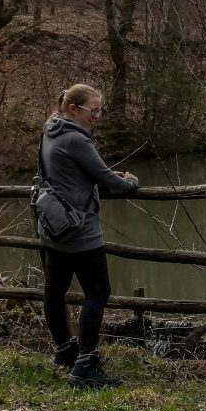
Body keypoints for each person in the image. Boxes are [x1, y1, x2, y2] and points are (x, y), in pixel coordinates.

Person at [37, 84, 138, 388]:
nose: (98, 116)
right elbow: (105, 178)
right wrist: (130, 181)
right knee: (98, 293)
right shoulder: (75, 139)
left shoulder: (50, 131)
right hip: (80, 231)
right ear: (73, 109)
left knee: (54, 291)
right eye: (93, 110)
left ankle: (65, 351)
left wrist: (104, 176)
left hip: (55, 228)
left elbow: (80, 174)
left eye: (100, 110)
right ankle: (86, 365)